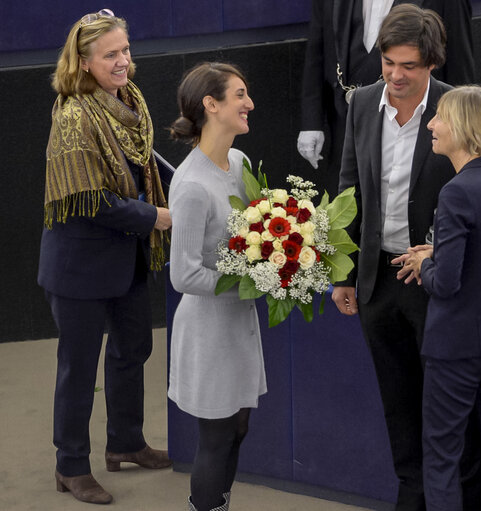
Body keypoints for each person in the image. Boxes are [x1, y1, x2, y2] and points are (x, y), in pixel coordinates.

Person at [331, 5, 481, 510]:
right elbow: (349, 188)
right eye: (388, 63)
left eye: (408, 66)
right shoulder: (362, 103)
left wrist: (443, 252)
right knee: (398, 406)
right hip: (376, 282)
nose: (395, 75)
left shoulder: (458, 111)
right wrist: (343, 273)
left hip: (434, 284)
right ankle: (411, 498)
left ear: (432, 64)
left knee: (448, 411)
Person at [38, 9, 172, 505]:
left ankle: (126, 442)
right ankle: (70, 467)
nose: (123, 62)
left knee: (132, 349)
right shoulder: (74, 115)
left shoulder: (128, 99)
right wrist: (153, 217)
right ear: (84, 62)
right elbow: (89, 199)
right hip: (79, 268)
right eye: (110, 55)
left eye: (125, 51)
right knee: (78, 368)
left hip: (126, 261)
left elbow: (142, 163)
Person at [395, 85, 481, 510]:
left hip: (458, 347)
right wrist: (442, 249)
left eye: (440, 117)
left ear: (465, 128)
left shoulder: (455, 192)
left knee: (441, 459)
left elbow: (446, 284)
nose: (432, 125)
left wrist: (424, 265)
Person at [168, 62, 266, 511]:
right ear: (212, 105)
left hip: (238, 324)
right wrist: (250, 282)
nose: (250, 104)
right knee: (217, 436)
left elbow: (256, 233)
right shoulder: (189, 185)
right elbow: (183, 274)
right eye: (240, 95)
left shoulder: (240, 163)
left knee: (239, 428)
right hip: (208, 330)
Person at [298, 0, 475, 196]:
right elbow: (317, 47)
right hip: (343, 124)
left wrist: (459, 132)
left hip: (419, 126)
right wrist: (311, 121)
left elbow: (460, 66)